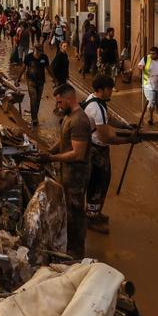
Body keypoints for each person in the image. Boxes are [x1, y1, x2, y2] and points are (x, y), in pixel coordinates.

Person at [81, 74, 140, 234]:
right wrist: (128, 140)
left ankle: (95, 212)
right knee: (98, 183)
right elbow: (105, 136)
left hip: (96, 148)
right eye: (109, 89)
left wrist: (126, 126)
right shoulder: (96, 108)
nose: (111, 92)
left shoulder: (95, 100)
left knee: (102, 181)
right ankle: (91, 217)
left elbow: (109, 118)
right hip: (95, 150)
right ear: (101, 90)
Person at [40, 83, 93, 259]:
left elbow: (78, 154)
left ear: (69, 98)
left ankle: (77, 251)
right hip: (68, 174)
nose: (58, 105)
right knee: (68, 211)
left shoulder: (79, 121)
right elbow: (64, 142)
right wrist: (49, 151)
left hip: (77, 176)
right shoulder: (69, 117)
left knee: (75, 213)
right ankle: (70, 245)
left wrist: (53, 159)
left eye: (60, 102)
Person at [136, 46, 158, 124]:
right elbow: (139, 65)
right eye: (150, 53)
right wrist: (141, 67)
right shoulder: (146, 59)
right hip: (148, 85)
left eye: (154, 54)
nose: (151, 55)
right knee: (151, 100)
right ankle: (151, 118)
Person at [23, 42, 50, 125]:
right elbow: (23, 67)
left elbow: (48, 68)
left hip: (41, 82)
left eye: (41, 51)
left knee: (38, 100)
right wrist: (17, 79)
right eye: (38, 51)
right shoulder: (28, 57)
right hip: (31, 81)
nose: (39, 53)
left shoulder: (44, 58)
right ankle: (34, 119)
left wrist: (55, 79)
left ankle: (35, 115)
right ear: (34, 49)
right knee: (33, 99)